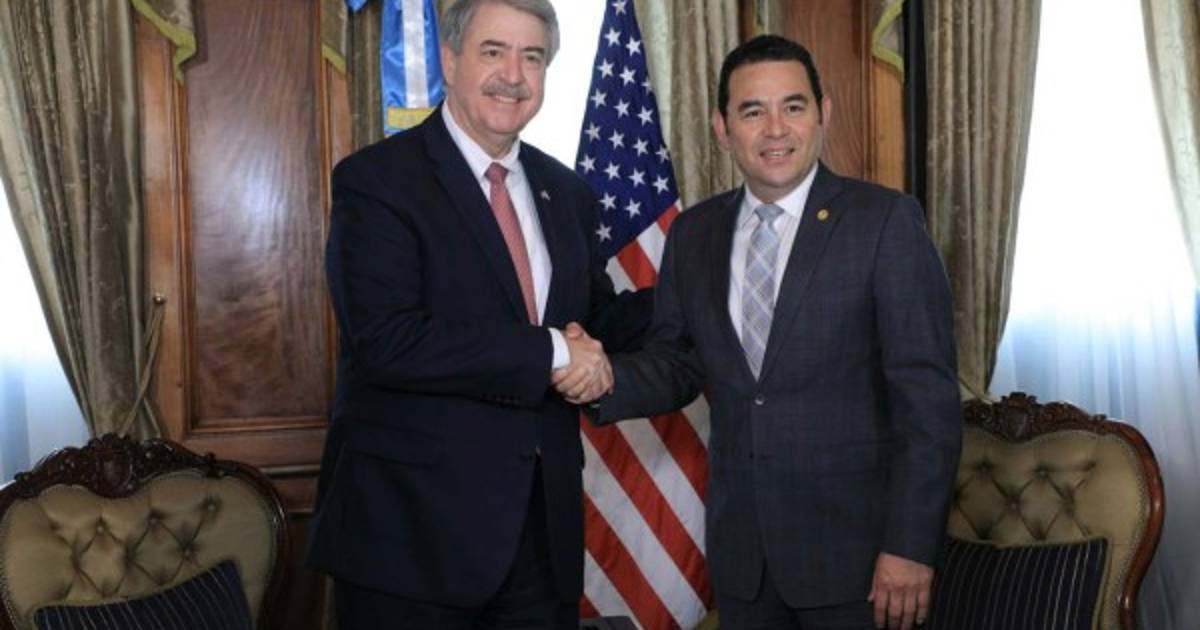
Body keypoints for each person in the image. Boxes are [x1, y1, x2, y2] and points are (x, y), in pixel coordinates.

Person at [564, 35, 961, 630]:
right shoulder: (694, 234)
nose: (776, 129)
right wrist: (600, 377)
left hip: (861, 563)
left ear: (823, 113)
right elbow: (678, 362)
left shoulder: (884, 222)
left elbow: (927, 403)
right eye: (753, 111)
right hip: (745, 564)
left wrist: (909, 547)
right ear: (723, 128)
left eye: (793, 106)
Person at [306, 1, 649, 627]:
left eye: (532, 57)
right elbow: (387, 340)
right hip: (409, 543)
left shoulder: (566, 192)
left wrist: (700, 291)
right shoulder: (378, 180)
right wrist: (552, 352)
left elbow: (591, 321)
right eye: (494, 52)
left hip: (539, 539)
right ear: (450, 60)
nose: (513, 76)